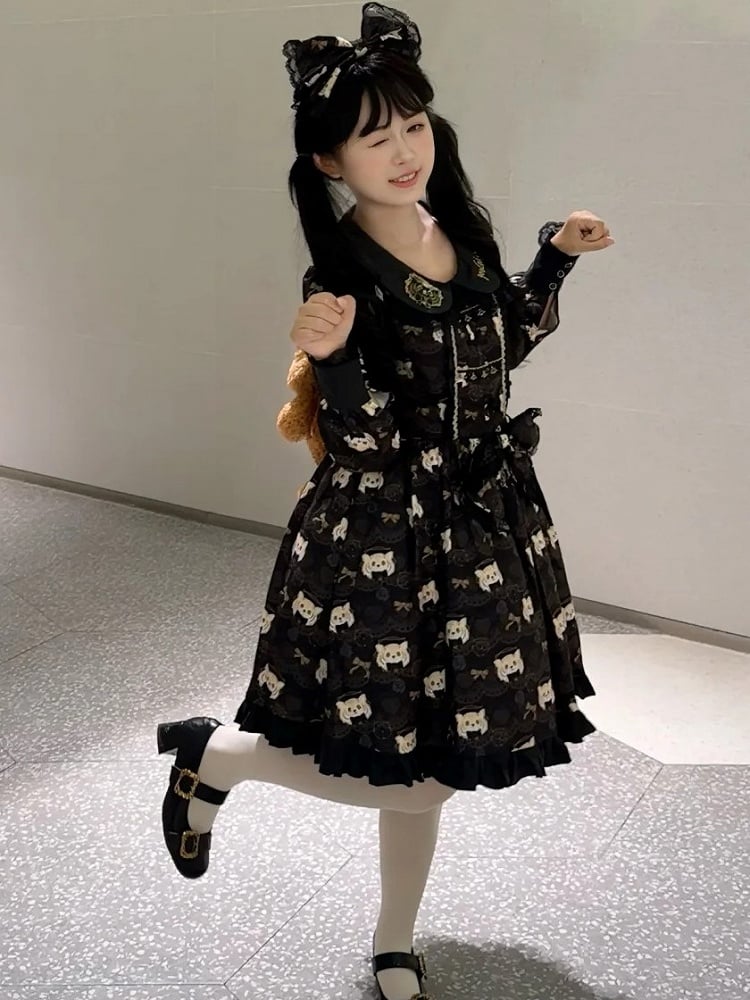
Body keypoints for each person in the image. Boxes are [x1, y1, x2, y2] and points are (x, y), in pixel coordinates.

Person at [156, 4, 615, 998]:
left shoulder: (457, 231)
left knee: (434, 756)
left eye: (412, 125)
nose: (404, 150)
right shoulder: (343, 274)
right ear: (330, 162)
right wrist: (331, 363)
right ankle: (220, 759)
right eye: (375, 137)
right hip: (390, 532)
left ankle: (393, 938)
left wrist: (556, 257)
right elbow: (365, 443)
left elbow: (504, 343)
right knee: (415, 765)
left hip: (485, 524)